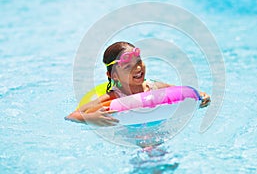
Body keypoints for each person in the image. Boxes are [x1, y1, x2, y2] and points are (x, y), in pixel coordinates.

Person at [66, 41, 210, 126]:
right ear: (113, 75)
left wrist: (201, 96)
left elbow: (182, 92)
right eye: (128, 67)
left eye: (139, 61)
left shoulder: (154, 87)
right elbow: (71, 115)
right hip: (131, 134)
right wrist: (91, 118)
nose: (138, 68)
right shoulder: (113, 98)